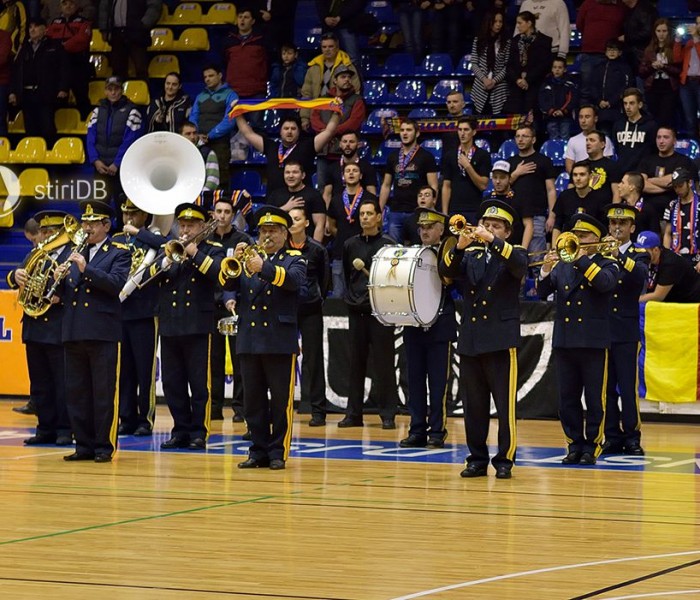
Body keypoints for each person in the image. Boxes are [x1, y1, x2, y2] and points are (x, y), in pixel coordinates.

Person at [440, 199, 527, 479]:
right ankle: (476, 458)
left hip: (500, 340)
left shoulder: (515, 252)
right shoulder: (471, 255)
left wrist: (492, 241)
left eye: (496, 226)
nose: (488, 229)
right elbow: (448, 273)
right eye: (486, 225)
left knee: (504, 406)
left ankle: (505, 460)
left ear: (507, 231)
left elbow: (518, 265)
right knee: (473, 405)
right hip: (472, 339)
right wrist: (460, 245)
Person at [223, 206, 306, 470]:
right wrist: (233, 267)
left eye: (273, 231)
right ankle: (257, 449)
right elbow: (227, 285)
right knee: (253, 400)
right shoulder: (249, 257)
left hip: (279, 339)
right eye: (263, 231)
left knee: (281, 401)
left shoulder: (295, 258)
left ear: (284, 233)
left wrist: (264, 267)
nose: (267, 236)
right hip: (249, 338)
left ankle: (277, 452)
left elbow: (294, 282)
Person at [537, 214, 619, 465]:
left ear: (596, 239)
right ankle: (574, 443)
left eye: (584, 236)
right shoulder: (563, 265)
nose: (578, 240)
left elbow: (605, 284)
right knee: (567, 398)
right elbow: (543, 292)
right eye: (576, 235)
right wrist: (545, 269)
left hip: (593, 341)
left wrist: (582, 259)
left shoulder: (608, 263)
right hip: (565, 340)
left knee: (595, 398)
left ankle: (592, 445)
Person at [55, 200, 131, 462]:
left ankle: (103, 446)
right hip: (74, 330)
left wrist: (86, 269)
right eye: (84, 222)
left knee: (103, 392)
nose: (86, 227)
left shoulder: (119, 252)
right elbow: (66, 294)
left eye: (92, 223)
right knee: (76, 392)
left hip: (102, 332)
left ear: (106, 225)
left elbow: (115, 284)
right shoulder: (74, 251)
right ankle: (83, 445)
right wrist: (57, 284)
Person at [151, 203, 224, 451]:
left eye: (190, 225)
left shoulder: (213, 249)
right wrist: (164, 264)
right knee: (173, 383)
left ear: (202, 227)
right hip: (170, 324)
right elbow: (148, 277)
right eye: (182, 225)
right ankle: (180, 429)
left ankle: (198, 432)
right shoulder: (169, 250)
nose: (184, 230)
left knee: (199, 383)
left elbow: (219, 275)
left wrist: (195, 253)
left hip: (197, 325)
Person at [7, 211, 73, 446]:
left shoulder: (71, 254)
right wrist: (16, 275)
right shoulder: (36, 253)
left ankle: (65, 429)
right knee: (40, 382)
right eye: (43, 232)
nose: (45, 236)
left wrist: (61, 295)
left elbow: (77, 286)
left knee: (61, 383)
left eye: (50, 232)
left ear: (61, 232)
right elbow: (12, 278)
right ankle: (45, 427)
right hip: (34, 328)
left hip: (58, 327)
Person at [400, 208, 456, 449]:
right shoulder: (412, 254)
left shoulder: (451, 253)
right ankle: (417, 429)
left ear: (441, 230)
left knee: (437, 383)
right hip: (414, 324)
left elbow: (453, 280)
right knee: (414, 381)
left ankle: (437, 430)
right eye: (422, 228)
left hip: (439, 325)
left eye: (430, 227)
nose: (424, 231)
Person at [340, 197, 398, 429]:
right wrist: (351, 299)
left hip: (381, 313)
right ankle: (354, 414)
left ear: (378, 217)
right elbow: (346, 275)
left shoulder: (389, 245)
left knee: (384, 364)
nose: (364, 217)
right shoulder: (349, 245)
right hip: (357, 311)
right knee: (355, 364)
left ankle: (388, 414)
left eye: (369, 214)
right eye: (362, 214)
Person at [112, 198, 164, 436]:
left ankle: (146, 418)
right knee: (124, 369)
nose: (128, 218)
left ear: (145, 216)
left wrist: (139, 233)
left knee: (145, 369)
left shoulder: (152, 239)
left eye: (134, 214)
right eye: (125, 214)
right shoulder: (116, 240)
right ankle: (127, 416)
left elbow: (168, 248)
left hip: (145, 311)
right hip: (120, 311)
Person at [602, 203, 649, 456]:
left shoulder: (639, 253)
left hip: (627, 331)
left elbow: (640, 276)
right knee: (606, 388)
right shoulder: (600, 251)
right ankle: (611, 435)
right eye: (613, 223)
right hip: (603, 329)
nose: (617, 228)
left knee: (628, 388)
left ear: (632, 227)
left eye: (622, 224)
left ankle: (632, 436)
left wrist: (618, 255)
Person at [208, 193, 252, 423]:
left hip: (236, 305)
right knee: (213, 359)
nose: (222, 216)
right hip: (211, 305)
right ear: (213, 214)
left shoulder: (243, 239)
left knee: (239, 358)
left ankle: (240, 408)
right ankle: (214, 407)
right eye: (219, 211)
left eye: (227, 212)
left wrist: (233, 295)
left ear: (233, 215)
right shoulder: (204, 240)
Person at [288, 206, 330, 426]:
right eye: (290, 219)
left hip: (311, 308)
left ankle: (318, 410)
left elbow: (325, 281)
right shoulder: (282, 247)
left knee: (313, 359)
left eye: (297, 219)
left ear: (306, 223)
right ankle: (284, 406)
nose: (292, 222)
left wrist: (315, 297)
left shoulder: (317, 250)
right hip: (285, 309)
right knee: (283, 357)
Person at [235, 112, 340, 193]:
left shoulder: (308, 146)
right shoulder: (270, 146)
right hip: (274, 200)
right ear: (280, 131)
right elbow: (247, 133)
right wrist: (237, 113)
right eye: (286, 128)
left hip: (300, 201)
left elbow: (329, 132)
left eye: (293, 129)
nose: (289, 131)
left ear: (299, 132)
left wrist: (337, 112)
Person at [8, 17, 68, 144]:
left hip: (45, 94)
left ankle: (49, 157)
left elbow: (63, 69)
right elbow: (16, 71)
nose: (32, 29)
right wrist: (13, 92)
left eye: (35, 26)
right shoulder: (24, 47)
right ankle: (34, 157)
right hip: (27, 95)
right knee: (30, 129)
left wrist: (63, 88)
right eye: (30, 27)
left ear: (44, 29)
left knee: (47, 129)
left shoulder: (54, 46)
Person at [378, 118, 439, 242]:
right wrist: (379, 210)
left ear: (417, 133)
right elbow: (386, 185)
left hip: (417, 211)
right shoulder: (393, 157)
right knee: (395, 251)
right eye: (402, 130)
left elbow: (433, 185)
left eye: (409, 130)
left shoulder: (426, 157)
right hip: (395, 211)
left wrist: (431, 208)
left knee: (417, 248)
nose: (405, 133)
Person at [86, 76, 142, 203]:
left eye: (116, 89)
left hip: (121, 170)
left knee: (121, 207)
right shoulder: (97, 111)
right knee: (98, 208)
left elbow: (130, 141)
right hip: (100, 168)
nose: (113, 92)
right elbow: (90, 138)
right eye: (109, 89)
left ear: (122, 90)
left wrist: (117, 164)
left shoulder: (132, 111)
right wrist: (95, 160)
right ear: (105, 91)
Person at [310, 65, 367, 191]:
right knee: (322, 189)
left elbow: (353, 123)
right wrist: (326, 132)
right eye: (343, 77)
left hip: (345, 154)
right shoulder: (323, 99)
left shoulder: (357, 100)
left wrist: (329, 132)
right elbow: (314, 120)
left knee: (345, 188)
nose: (347, 79)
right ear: (335, 80)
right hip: (323, 153)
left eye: (349, 77)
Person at [326, 161, 377, 296]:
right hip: (340, 252)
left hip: (364, 252)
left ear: (360, 176)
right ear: (343, 176)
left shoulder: (369, 198)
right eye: (348, 171)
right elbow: (331, 226)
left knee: (363, 292)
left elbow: (377, 224)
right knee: (338, 294)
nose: (351, 173)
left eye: (355, 170)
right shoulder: (336, 200)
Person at [507, 124, 557, 259]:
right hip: (513, 217)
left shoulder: (544, 161)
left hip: (537, 216)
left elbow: (551, 190)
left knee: (536, 259)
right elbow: (502, 187)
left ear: (533, 140)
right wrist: (516, 173)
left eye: (524, 136)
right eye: (517, 136)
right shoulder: (510, 162)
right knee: (513, 259)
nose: (520, 140)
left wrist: (552, 215)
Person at [190, 65, 239, 191]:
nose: (207, 79)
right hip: (199, 143)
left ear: (220, 75)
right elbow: (193, 117)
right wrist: (196, 135)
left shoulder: (231, 95)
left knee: (221, 178)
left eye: (211, 76)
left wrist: (210, 135)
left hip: (220, 144)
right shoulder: (200, 96)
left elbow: (230, 120)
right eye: (205, 77)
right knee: (197, 175)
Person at [300, 32, 360, 131]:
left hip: (340, 114)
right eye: (324, 47)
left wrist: (347, 114)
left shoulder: (348, 67)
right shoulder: (313, 68)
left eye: (331, 46)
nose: (327, 50)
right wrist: (305, 118)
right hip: (317, 115)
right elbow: (307, 94)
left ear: (337, 47)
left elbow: (355, 92)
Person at [45, 0, 92, 119]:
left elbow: (82, 40)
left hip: (78, 65)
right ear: (60, 7)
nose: (68, 6)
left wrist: (60, 47)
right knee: (59, 98)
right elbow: (47, 40)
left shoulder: (83, 22)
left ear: (76, 6)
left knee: (81, 96)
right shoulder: (54, 23)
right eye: (65, 4)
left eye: (71, 4)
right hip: (58, 68)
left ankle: (85, 121)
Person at [440, 115, 491, 223]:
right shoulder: (450, 155)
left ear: (474, 132)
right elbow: (446, 185)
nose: (462, 133)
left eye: (466, 129)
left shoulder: (482, 155)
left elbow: (483, 185)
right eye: (460, 129)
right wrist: (444, 213)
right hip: (454, 209)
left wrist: (468, 166)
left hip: (474, 209)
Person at [503, 11, 553, 117]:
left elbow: (543, 65)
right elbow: (509, 64)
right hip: (516, 87)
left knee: (533, 118)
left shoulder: (545, 41)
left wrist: (528, 80)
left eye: (520, 23)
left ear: (529, 23)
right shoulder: (514, 41)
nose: (517, 26)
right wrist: (518, 80)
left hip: (535, 85)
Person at [97, 0, 161, 79]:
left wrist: (143, 25)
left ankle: (142, 89)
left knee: (141, 68)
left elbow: (154, 6)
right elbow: (104, 8)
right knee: (118, 69)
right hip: (117, 34)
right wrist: (104, 28)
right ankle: (119, 90)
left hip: (137, 33)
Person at [639, 127, 695, 218]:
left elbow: (674, 180)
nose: (661, 141)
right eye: (659, 137)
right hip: (648, 210)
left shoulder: (683, 161)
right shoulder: (647, 160)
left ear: (674, 141)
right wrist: (668, 187)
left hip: (674, 210)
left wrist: (649, 180)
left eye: (666, 137)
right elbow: (641, 184)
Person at [581, 39, 633, 136]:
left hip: (618, 109)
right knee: (604, 136)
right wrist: (599, 101)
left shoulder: (625, 68)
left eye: (614, 50)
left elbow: (626, 87)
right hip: (601, 110)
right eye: (609, 50)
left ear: (620, 52)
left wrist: (612, 102)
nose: (612, 52)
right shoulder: (598, 67)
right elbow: (592, 86)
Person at [266, 161, 327, 242]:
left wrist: (314, 250)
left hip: (305, 246)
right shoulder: (276, 194)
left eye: (295, 172)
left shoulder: (314, 195)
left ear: (303, 175)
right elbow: (267, 219)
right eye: (287, 172)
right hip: (280, 245)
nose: (290, 176)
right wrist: (285, 208)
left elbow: (319, 225)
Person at [576, 0, 626, 97]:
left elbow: (624, 28)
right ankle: (586, 111)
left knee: (610, 90)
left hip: (611, 55)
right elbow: (579, 25)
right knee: (586, 89)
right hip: (589, 54)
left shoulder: (621, 7)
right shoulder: (588, 4)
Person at [639, 18, 682, 128]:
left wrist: (664, 67)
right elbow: (642, 72)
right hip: (652, 88)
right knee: (653, 119)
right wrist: (652, 67)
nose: (661, 34)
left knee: (665, 119)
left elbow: (679, 71)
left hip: (669, 88)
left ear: (669, 32)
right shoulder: (649, 49)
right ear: (654, 32)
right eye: (658, 31)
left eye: (664, 31)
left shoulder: (674, 48)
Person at [552, 161, 608, 242]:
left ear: (590, 176)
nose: (578, 178)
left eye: (582, 174)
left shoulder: (600, 198)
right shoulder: (564, 196)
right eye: (575, 175)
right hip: (567, 244)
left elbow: (604, 228)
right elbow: (557, 225)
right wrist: (555, 248)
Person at [638, 230, 700, 302]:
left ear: (655, 250)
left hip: (692, 303)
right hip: (673, 300)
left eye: (643, 251)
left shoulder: (670, 263)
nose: (640, 253)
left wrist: (631, 300)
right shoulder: (648, 260)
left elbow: (658, 296)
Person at [223, 8, 268, 108]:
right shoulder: (228, 41)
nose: (242, 20)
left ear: (253, 21)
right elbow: (225, 63)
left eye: (246, 17)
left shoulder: (261, 41)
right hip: (233, 92)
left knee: (256, 124)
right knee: (232, 123)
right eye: (240, 17)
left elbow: (268, 63)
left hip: (256, 92)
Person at [470, 9, 510, 116]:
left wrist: (494, 81)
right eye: (495, 21)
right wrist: (484, 79)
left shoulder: (507, 42)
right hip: (480, 88)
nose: (498, 25)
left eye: (500, 22)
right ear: (489, 22)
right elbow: (474, 63)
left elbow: (507, 66)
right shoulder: (478, 40)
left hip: (499, 89)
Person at [486, 160, 533, 250]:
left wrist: (522, 250)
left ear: (509, 178)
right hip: (491, 248)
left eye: (502, 177)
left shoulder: (520, 199)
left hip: (514, 249)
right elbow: (481, 224)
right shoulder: (487, 200)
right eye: (495, 177)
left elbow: (529, 225)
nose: (498, 181)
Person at [322, 130, 378, 206]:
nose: (347, 145)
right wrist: (327, 215)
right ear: (340, 144)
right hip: (337, 210)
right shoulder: (332, 168)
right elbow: (327, 194)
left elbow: (372, 193)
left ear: (358, 145)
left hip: (360, 210)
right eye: (345, 142)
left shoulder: (367, 167)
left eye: (351, 142)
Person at [612, 87, 658, 175]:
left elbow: (654, 150)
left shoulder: (651, 125)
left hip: (643, 173)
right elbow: (617, 148)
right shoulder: (618, 125)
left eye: (631, 103)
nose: (627, 107)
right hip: (622, 173)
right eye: (625, 103)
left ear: (640, 105)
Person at [663, 167, 700, 271]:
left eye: (680, 186)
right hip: (677, 257)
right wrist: (667, 256)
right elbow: (667, 233)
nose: (678, 190)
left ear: (690, 183)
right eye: (675, 187)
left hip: (697, 255)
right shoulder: (672, 205)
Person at [564, 105, 615, 174]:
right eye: (581, 117)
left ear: (595, 119)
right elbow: (569, 165)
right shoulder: (572, 141)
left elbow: (606, 165)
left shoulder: (605, 140)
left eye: (587, 117)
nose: (583, 121)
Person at [538, 57, 579, 140]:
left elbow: (572, 99)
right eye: (555, 67)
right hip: (550, 118)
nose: (557, 70)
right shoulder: (546, 84)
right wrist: (551, 111)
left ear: (564, 69)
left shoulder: (570, 84)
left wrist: (563, 110)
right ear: (552, 69)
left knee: (565, 138)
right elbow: (542, 100)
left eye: (560, 68)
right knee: (553, 139)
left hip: (565, 117)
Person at [316, 0, 365, 66]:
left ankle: (354, 75)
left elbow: (356, 4)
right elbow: (320, 4)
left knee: (352, 58)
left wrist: (340, 17)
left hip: (348, 24)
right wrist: (325, 17)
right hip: (328, 26)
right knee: (327, 57)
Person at [180, 121, 220, 192]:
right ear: (180, 135)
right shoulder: (174, 153)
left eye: (194, 133)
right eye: (188, 134)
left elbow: (213, 180)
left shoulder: (208, 153)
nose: (192, 137)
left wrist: (200, 195)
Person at [618, 171, 661, 237]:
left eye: (622, 183)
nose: (619, 185)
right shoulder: (619, 208)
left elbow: (655, 235)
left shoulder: (649, 210)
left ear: (631, 187)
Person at [620, 0, 657, 78]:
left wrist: (627, 37)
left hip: (641, 54)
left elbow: (648, 32)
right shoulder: (629, 11)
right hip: (632, 54)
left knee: (640, 80)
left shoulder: (645, 10)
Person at [586, 130, 621, 203]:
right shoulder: (580, 165)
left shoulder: (612, 166)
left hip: (604, 211)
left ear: (602, 144)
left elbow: (616, 193)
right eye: (587, 140)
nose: (588, 143)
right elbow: (571, 191)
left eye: (592, 140)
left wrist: (613, 213)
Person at [679, 16, 700, 138]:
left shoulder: (695, 41)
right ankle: (693, 147)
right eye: (697, 23)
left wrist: (696, 39)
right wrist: (677, 40)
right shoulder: (690, 42)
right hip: (686, 83)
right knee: (689, 119)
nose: (698, 26)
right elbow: (677, 58)